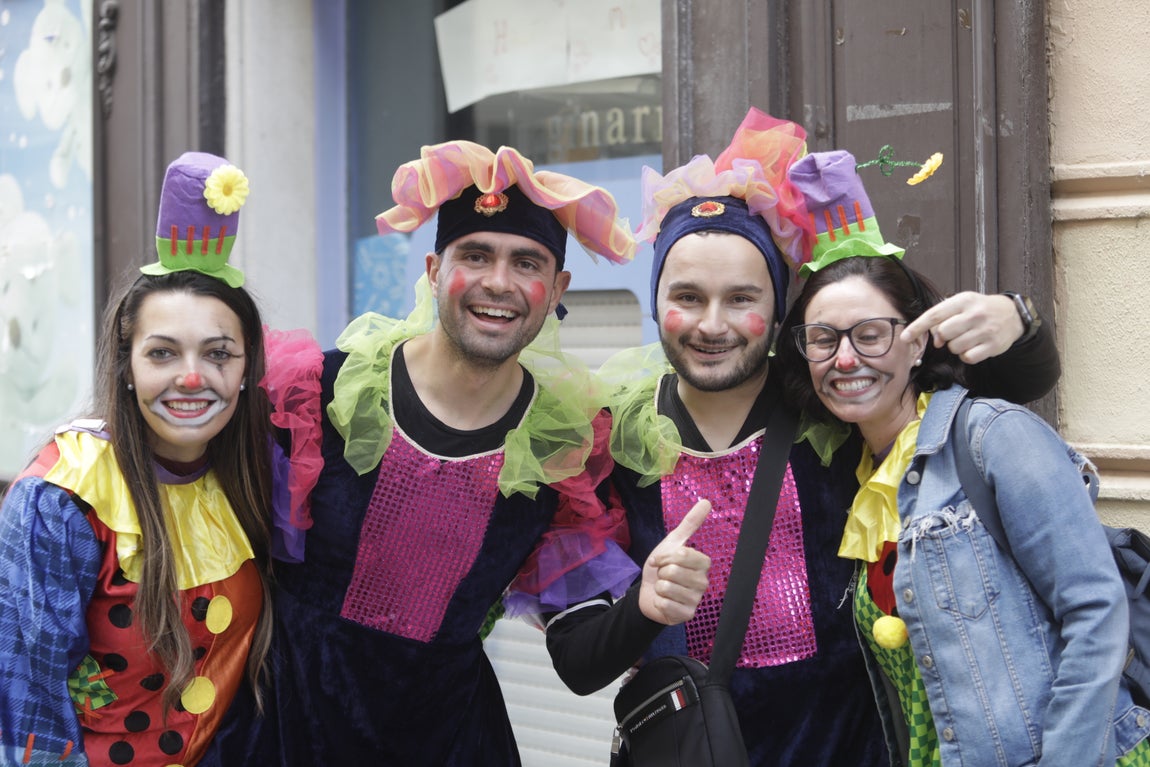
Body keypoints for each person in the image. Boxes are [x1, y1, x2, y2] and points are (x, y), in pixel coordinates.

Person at [543, 109, 1064, 765]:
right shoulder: (612, 436)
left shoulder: (829, 401)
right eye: (688, 296)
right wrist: (645, 607)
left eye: (741, 297)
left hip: (847, 746)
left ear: (778, 301)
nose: (713, 324)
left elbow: (1005, 392)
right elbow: (575, 663)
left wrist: (1017, 321)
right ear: (655, 301)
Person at [203, 140, 712, 766]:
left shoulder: (563, 450)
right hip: (280, 729)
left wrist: (644, 607)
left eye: (527, 263)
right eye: (476, 255)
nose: (499, 282)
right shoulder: (316, 395)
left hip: (450, 740)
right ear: (434, 270)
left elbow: (580, 663)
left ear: (557, 289)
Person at [774, 148, 1150, 766]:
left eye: (870, 334)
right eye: (825, 339)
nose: (846, 360)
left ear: (915, 341)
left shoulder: (993, 437)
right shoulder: (848, 477)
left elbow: (1096, 612)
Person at [0, 152, 276, 766]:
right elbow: (32, 710)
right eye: (162, 354)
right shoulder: (63, 497)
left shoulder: (257, 473)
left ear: (247, 369)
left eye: (218, 353)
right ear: (126, 367)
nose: (192, 378)